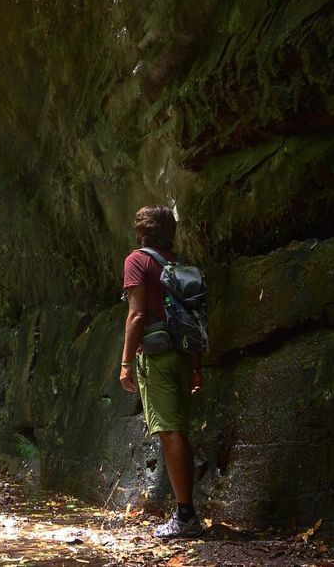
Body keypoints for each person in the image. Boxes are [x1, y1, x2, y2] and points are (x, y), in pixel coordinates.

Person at [119, 204, 204, 539]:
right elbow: (194, 319)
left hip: (157, 358)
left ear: (141, 231)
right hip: (183, 356)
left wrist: (126, 361)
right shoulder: (179, 265)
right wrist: (196, 367)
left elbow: (137, 315)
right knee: (178, 431)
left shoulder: (137, 260)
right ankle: (186, 513)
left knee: (169, 432)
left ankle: (185, 517)